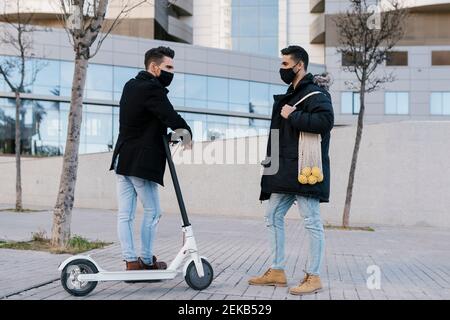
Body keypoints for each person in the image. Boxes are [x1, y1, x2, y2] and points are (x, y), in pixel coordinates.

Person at [248, 45, 334, 295]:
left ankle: (314, 276)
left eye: (286, 64)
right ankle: (277, 271)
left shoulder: (315, 94)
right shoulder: (292, 94)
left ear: (300, 66)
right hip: (286, 171)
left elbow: (325, 122)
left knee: (312, 222)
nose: (282, 68)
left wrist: (293, 115)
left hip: (305, 170)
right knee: (272, 216)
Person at [109, 46, 192, 271]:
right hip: (140, 163)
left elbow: (144, 122)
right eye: (169, 67)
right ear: (154, 67)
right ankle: (145, 259)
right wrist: (186, 132)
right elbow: (170, 116)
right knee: (153, 211)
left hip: (122, 159)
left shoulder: (130, 86)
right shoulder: (152, 89)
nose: (172, 73)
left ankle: (131, 261)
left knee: (125, 215)